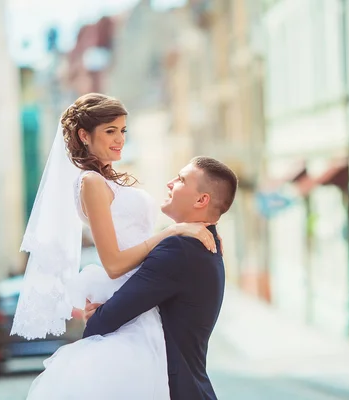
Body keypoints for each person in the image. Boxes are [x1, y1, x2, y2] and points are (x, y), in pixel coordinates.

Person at [11, 93, 221, 399]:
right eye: (110, 131)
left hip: (146, 301)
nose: (119, 139)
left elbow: (137, 240)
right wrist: (173, 232)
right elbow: (113, 263)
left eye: (123, 130)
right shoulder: (91, 183)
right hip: (131, 309)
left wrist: (188, 232)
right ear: (84, 135)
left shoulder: (111, 181)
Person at [84, 156, 237, 399]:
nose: (170, 182)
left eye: (181, 180)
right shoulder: (206, 244)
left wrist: (97, 312)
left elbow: (100, 324)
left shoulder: (180, 249)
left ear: (201, 199)